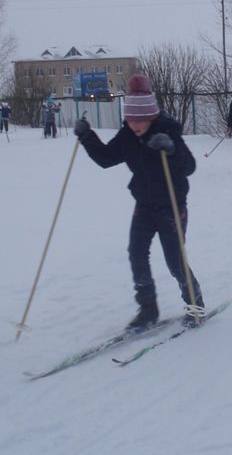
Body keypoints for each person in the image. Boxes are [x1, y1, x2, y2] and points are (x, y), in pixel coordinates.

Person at [73, 73, 206, 330]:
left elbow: (189, 166)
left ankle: (195, 304)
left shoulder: (167, 132)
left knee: (175, 260)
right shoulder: (128, 136)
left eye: (140, 120)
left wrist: (171, 149)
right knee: (136, 254)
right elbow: (106, 158)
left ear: (151, 116)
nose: (135, 125)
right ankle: (148, 309)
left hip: (171, 206)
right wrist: (87, 136)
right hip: (144, 205)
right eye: (130, 119)